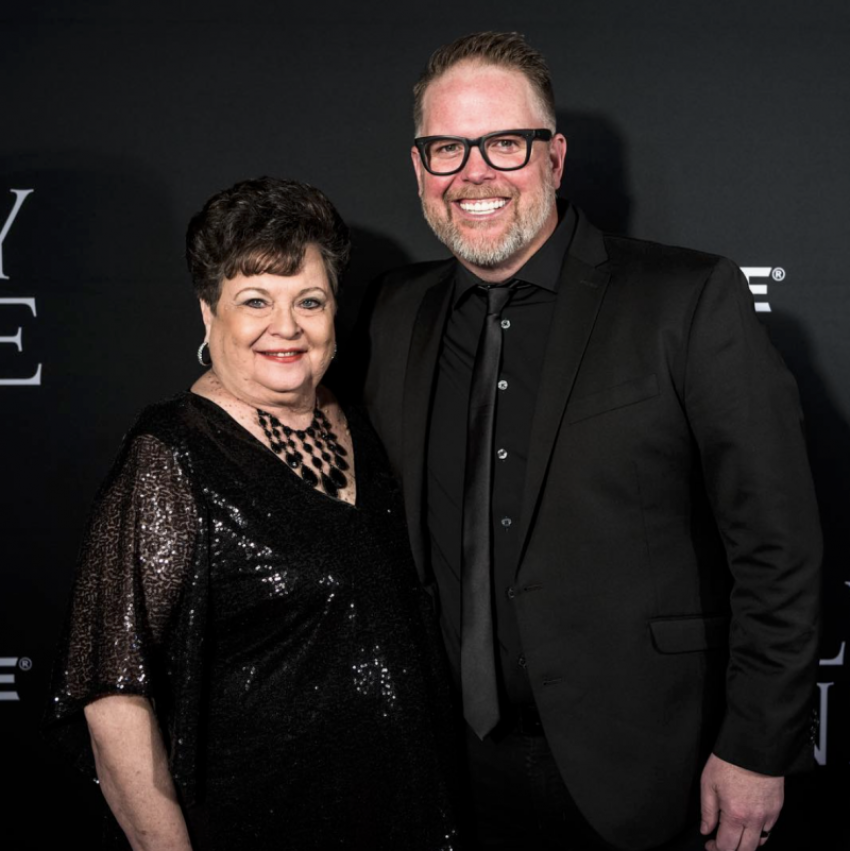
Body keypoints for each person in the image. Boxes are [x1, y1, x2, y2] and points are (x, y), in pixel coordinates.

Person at [356, 32, 822, 851]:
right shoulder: (398, 312)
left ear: (555, 157)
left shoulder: (685, 300)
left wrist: (756, 743)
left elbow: (777, 542)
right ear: (419, 165)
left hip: (648, 768)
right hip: (451, 771)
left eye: (505, 143)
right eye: (446, 148)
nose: (474, 173)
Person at [46, 177, 460, 851]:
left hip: (406, 813)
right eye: (255, 301)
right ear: (209, 315)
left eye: (310, 301)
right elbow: (113, 699)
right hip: (259, 823)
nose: (287, 326)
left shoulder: (359, 421)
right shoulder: (168, 458)